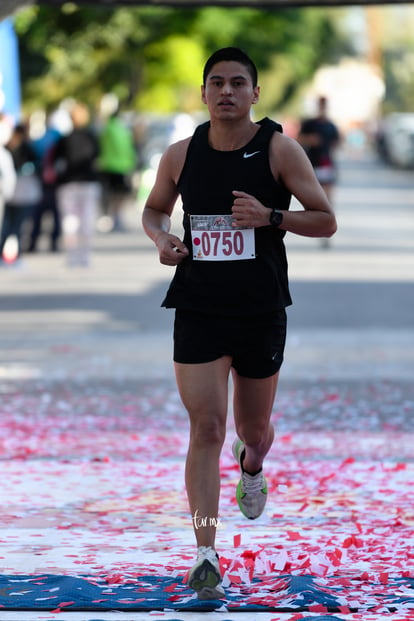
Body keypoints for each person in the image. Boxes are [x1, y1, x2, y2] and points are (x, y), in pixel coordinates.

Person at [142, 47, 337, 601]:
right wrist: (162, 238)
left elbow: (325, 219)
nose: (226, 92)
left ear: (255, 94)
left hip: (259, 310)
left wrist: (272, 216)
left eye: (237, 83)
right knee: (205, 427)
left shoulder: (280, 149)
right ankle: (205, 553)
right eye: (216, 83)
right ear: (203, 94)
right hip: (198, 307)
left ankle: (252, 462)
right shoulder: (180, 155)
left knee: (251, 430)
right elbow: (154, 210)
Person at [51, 102, 100, 267]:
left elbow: (56, 161)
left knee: (69, 221)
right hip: (88, 182)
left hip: (68, 183)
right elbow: (96, 157)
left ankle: (72, 256)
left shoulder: (64, 139)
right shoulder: (91, 137)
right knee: (86, 219)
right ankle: (85, 255)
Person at [297, 96, 340, 247]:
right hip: (312, 165)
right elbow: (299, 139)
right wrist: (310, 140)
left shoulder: (331, 125)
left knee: (328, 199)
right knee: (314, 200)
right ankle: (315, 227)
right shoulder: (309, 124)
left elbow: (337, 142)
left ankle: (326, 230)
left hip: (327, 164)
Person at [0, 123, 41, 264]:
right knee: (12, 226)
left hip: (17, 193)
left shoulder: (20, 149)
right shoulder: (11, 150)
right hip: (15, 193)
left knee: (12, 226)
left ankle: (11, 254)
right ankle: (10, 255)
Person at [98, 96, 137, 232]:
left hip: (110, 165)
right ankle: (117, 218)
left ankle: (115, 218)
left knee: (113, 194)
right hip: (122, 166)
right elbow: (127, 148)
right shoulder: (122, 129)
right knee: (120, 195)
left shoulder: (108, 128)